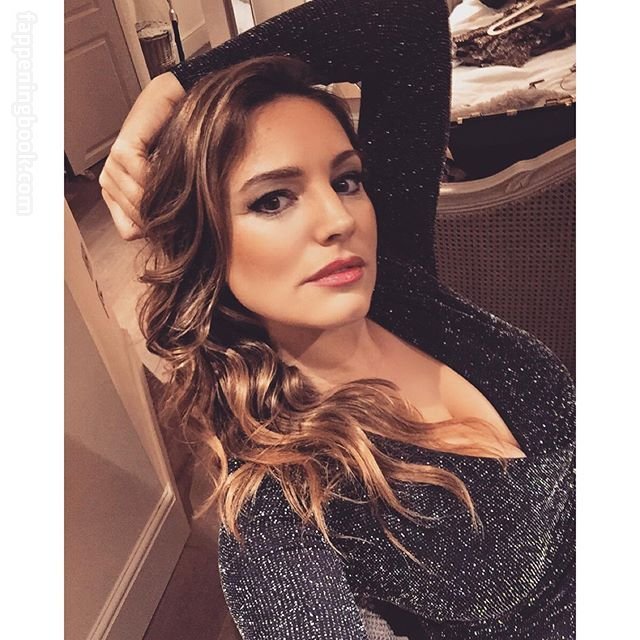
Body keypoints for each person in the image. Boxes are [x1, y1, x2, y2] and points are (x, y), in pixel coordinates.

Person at [99, 1, 575, 638]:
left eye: (346, 181)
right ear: (203, 243)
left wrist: (168, 87)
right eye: (273, 199)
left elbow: (405, 21)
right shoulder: (287, 506)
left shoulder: (397, 289)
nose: (338, 220)